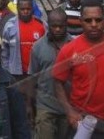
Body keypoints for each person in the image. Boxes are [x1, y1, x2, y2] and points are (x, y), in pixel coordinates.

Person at [52, 1, 104, 138]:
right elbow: (57, 82)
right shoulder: (69, 50)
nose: (94, 24)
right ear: (80, 21)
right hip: (82, 122)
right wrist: (69, 111)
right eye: (88, 20)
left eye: (98, 20)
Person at [27, 8, 72, 139]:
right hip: (45, 107)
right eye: (54, 26)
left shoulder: (75, 46)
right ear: (48, 25)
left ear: (66, 25)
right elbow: (32, 78)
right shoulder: (38, 47)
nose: (57, 30)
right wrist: (29, 105)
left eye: (61, 26)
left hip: (68, 107)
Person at [2, 0, 46, 77]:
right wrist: (6, 69)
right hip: (15, 72)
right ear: (18, 9)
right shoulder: (10, 26)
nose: (25, 11)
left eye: (28, 9)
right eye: (22, 9)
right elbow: (5, 50)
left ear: (32, 9)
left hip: (37, 72)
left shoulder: (42, 25)